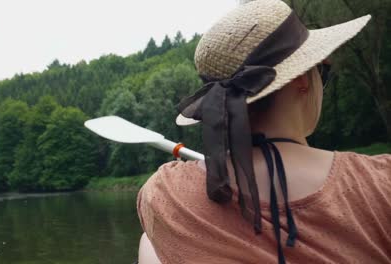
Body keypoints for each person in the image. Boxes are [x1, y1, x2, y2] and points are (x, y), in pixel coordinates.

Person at [136, 0, 391, 263]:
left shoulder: (164, 195)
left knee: (149, 244)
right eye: (321, 73)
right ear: (301, 80)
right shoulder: (381, 184)